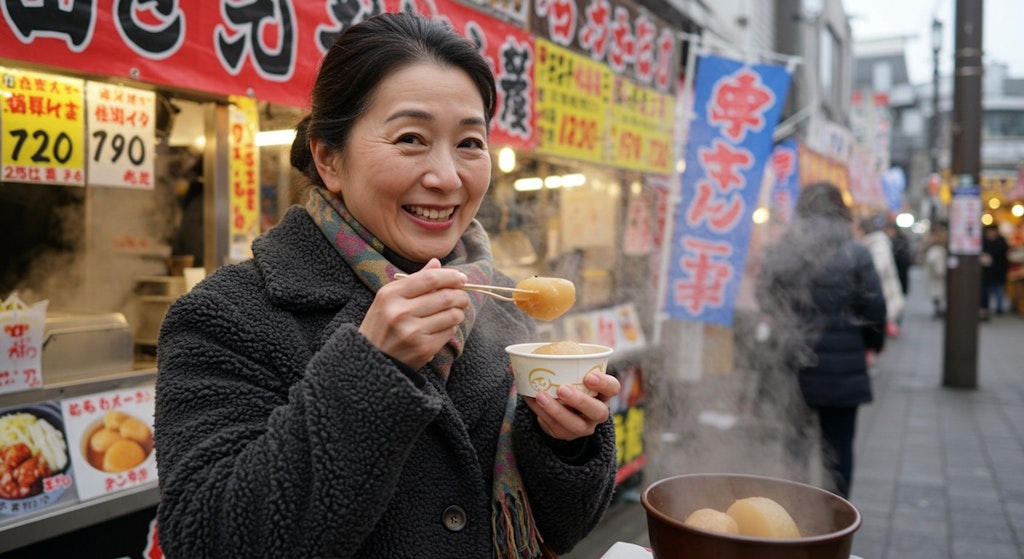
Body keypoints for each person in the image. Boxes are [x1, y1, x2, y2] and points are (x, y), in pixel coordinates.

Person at [153, 13, 620, 559]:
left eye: (470, 142)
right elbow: (206, 538)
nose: (447, 176)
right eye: (411, 138)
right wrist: (370, 369)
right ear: (329, 158)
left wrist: (567, 444)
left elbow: (563, 528)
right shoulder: (226, 317)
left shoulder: (504, 305)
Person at [757, 182, 887, 499]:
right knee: (840, 446)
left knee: (795, 446)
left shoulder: (784, 249)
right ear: (841, 210)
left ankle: (794, 513)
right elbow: (875, 308)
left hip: (793, 365)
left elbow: (764, 296)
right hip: (844, 370)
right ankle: (835, 519)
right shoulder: (856, 252)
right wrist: (873, 343)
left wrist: (787, 322)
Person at [857, 214, 905, 336]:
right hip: (883, 292)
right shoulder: (876, 243)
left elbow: (878, 268)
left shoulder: (877, 244)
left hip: (884, 293)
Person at [980, 223, 1010, 318]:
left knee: (999, 290)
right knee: (986, 291)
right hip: (987, 271)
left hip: (999, 270)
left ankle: (999, 308)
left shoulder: (1001, 242)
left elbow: (1003, 255)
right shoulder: (984, 242)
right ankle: (985, 308)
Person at [923, 224, 948, 318]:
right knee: (939, 293)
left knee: (938, 293)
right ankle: (939, 309)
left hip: (937, 274)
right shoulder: (938, 248)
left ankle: (938, 309)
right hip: (938, 274)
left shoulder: (934, 247)